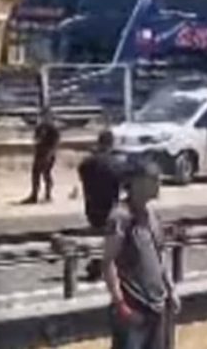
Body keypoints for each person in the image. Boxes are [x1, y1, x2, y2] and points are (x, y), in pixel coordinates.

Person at [103, 158, 179, 349]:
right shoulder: (121, 216)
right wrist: (120, 304)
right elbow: (108, 262)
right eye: (153, 178)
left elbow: (160, 254)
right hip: (133, 306)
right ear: (136, 181)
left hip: (157, 305)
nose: (158, 183)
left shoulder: (152, 215)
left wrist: (171, 289)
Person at [79, 130, 128, 281]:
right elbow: (124, 183)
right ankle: (101, 265)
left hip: (91, 208)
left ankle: (98, 265)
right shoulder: (116, 163)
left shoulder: (87, 163)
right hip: (110, 209)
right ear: (111, 143)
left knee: (105, 237)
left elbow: (82, 175)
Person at [23, 107, 60, 204]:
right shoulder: (40, 128)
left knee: (46, 174)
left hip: (48, 153)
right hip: (40, 152)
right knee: (36, 174)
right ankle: (35, 194)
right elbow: (36, 139)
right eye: (42, 116)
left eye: (45, 116)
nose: (43, 118)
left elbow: (55, 144)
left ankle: (47, 194)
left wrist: (49, 154)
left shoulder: (53, 128)